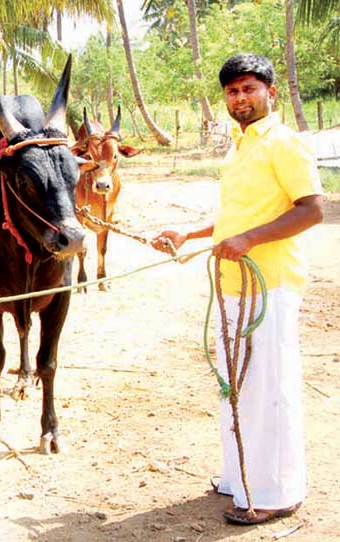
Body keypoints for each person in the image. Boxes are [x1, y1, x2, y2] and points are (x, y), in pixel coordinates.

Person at [152, 53, 324, 525]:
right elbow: (237, 218)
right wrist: (189, 233)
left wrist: (249, 240)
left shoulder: (284, 143)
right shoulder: (240, 143)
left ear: (271, 91)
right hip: (234, 284)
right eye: (232, 91)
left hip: (270, 284)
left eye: (249, 88)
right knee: (236, 386)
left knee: (268, 387)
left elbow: (311, 210)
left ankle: (277, 491)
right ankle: (239, 477)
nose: (241, 98)